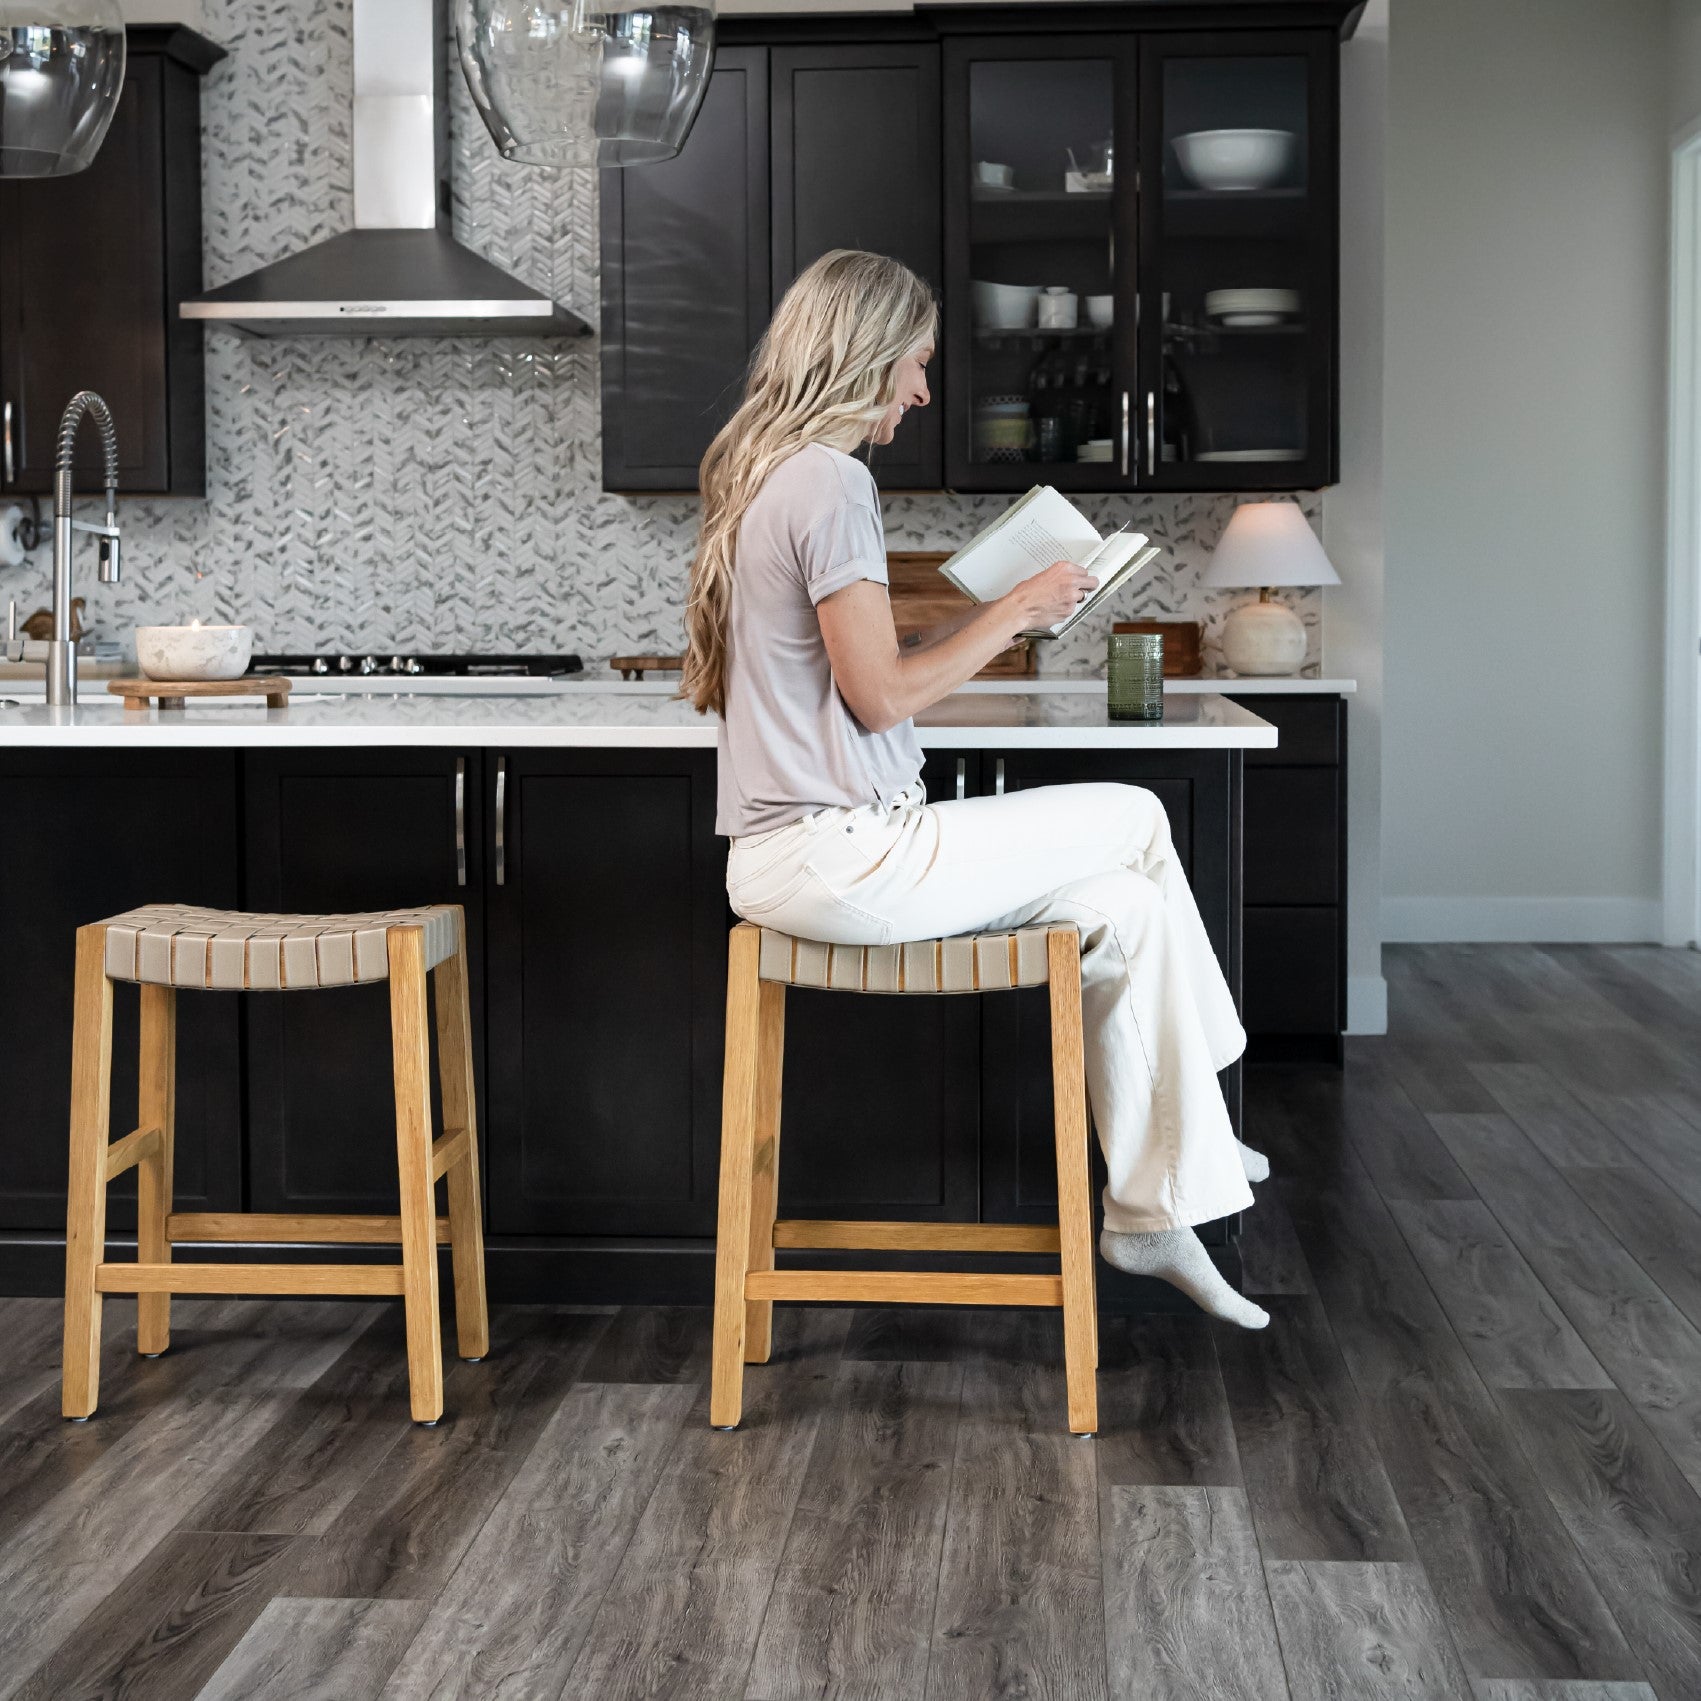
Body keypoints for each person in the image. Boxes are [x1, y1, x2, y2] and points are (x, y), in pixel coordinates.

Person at [681, 249, 1268, 1329]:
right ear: (865, 356)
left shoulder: (779, 475)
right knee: (1138, 813)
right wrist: (1019, 609)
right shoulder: (832, 479)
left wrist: (992, 616)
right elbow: (881, 698)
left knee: (1123, 908)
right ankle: (1207, 1119)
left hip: (805, 857)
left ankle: (1149, 1213)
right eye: (914, 364)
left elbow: (865, 677)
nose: (920, 390)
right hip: (839, 854)